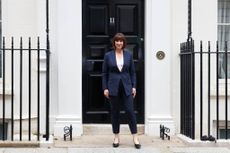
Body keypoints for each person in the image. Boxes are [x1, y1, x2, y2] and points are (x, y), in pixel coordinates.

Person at [102, 33, 141, 149]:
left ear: (124, 43)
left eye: (121, 41)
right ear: (114, 43)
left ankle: (135, 137)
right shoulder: (108, 56)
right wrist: (105, 88)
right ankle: (116, 136)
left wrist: (134, 86)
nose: (119, 43)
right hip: (113, 88)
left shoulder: (128, 55)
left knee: (130, 111)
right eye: (117, 41)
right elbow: (104, 73)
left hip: (127, 87)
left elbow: (133, 73)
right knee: (115, 112)